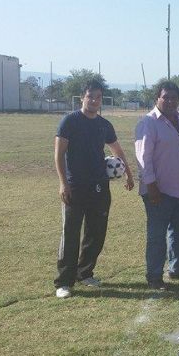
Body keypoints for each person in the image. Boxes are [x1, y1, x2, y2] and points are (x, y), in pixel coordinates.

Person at [54, 79, 134, 299]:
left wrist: (128, 172)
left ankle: (85, 272)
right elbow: (59, 154)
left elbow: (117, 149)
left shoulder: (104, 125)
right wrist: (63, 183)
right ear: (82, 97)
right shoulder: (69, 122)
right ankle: (64, 281)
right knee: (70, 233)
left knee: (96, 232)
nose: (94, 100)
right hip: (75, 187)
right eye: (90, 96)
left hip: (99, 186)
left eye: (98, 97)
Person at [135, 81, 179, 290]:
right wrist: (151, 185)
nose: (170, 101)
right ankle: (154, 276)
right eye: (165, 97)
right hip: (159, 191)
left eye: (173, 97)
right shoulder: (149, 123)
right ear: (157, 99)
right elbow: (144, 158)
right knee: (157, 235)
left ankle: (178, 268)